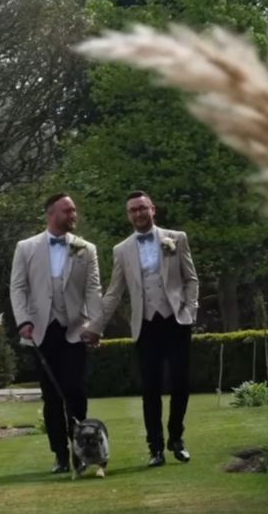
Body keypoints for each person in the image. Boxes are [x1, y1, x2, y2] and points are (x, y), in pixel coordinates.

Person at [92, 190, 199, 467]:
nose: (138, 214)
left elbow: (191, 279)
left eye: (142, 208)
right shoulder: (121, 250)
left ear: (153, 209)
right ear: (128, 215)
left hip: (175, 321)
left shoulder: (176, 238)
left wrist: (190, 310)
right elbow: (114, 293)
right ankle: (156, 448)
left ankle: (177, 437)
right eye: (132, 210)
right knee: (150, 389)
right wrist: (96, 327)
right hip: (146, 325)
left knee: (181, 383)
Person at [9, 193, 103, 473]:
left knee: (75, 390)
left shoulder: (86, 248)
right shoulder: (26, 248)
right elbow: (18, 287)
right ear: (51, 214)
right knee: (51, 396)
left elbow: (93, 289)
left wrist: (95, 326)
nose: (74, 215)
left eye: (74, 210)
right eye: (68, 210)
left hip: (76, 329)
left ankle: (81, 449)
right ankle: (60, 455)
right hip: (41, 331)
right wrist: (23, 321)